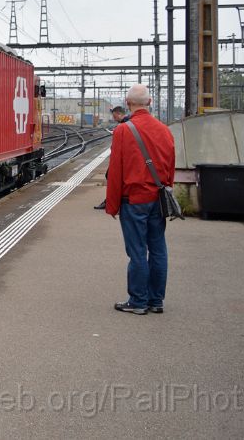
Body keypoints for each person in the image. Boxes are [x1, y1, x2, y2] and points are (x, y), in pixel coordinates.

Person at [104, 84, 175, 315]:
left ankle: (138, 301)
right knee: (158, 249)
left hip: (134, 200)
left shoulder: (123, 131)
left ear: (128, 103)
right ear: (150, 103)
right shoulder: (165, 130)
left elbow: (116, 172)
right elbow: (170, 166)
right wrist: (167, 190)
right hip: (158, 197)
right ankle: (156, 300)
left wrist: (112, 204)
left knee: (137, 251)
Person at [92, 106, 129, 210]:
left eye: (114, 116)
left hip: (123, 159)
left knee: (111, 176)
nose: (114, 119)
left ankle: (112, 201)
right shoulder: (125, 123)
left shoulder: (125, 124)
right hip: (123, 158)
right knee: (111, 176)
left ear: (119, 114)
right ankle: (113, 200)